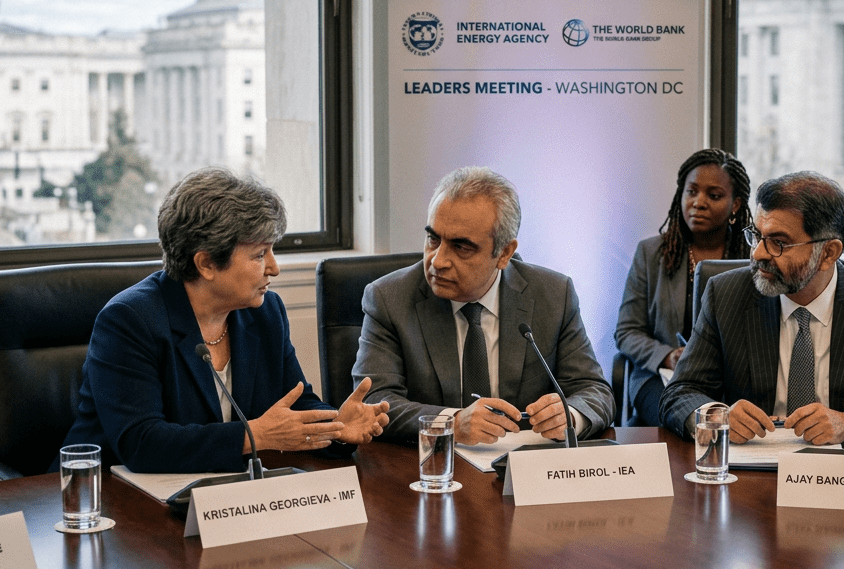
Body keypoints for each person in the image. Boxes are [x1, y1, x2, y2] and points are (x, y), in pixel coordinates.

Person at [61, 168, 389, 472]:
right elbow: (141, 442)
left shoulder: (265, 312)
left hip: (218, 496)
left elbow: (294, 404)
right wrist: (253, 436)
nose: (274, 268)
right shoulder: (128, 321)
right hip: (110, 502)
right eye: (260, 255)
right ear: (206, 264)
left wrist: (338, 428)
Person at [660, 171, 844, 448]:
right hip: (750, 473)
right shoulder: (726, 293)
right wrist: (715, 415)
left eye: (778, 242)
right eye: (757, 236)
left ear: (828, 253)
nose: (758, 254)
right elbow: (679, 392)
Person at [353, 166, 616, 444]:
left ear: (504, 254)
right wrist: (452, 422)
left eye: (462, 247)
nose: (438, 260)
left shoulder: (553, 294)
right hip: (430, 468)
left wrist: (570, 415)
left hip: (522, 472)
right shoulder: (389, 298)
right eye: (433, 239)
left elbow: (594, 390)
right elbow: (374, 400)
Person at [614, 148, 753, 426]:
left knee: (731, 423)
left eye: (714, 196)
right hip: (661, 379)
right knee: (685, 421)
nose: (698, 203)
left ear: (735, 204)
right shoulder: (651, 253)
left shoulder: (752, 259)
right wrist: (667, 356)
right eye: (691, 192)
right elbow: (627, 331)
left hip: (731, 383)